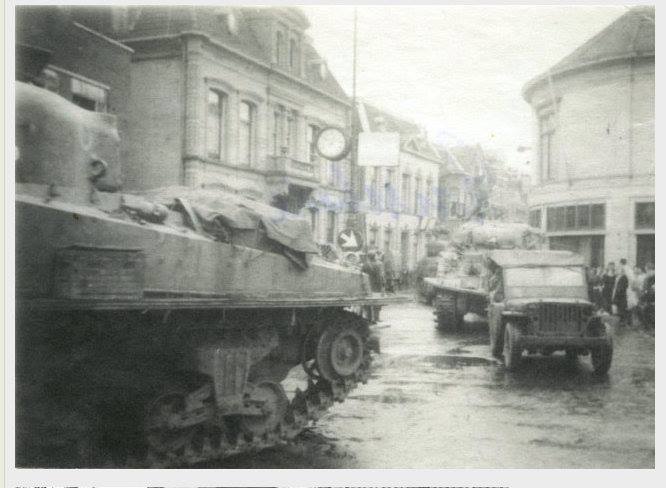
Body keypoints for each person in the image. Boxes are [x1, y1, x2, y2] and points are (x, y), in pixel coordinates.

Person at [612, 259, 629, 326]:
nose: (617, 271)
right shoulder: (620, 277)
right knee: (619, 309)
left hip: (621, 296)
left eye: (618, 270)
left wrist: (617, 295)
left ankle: (623, 322)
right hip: (619, 295)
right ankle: (621, 322)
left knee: (621, 309)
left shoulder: (624, 277)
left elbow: (621, 288)